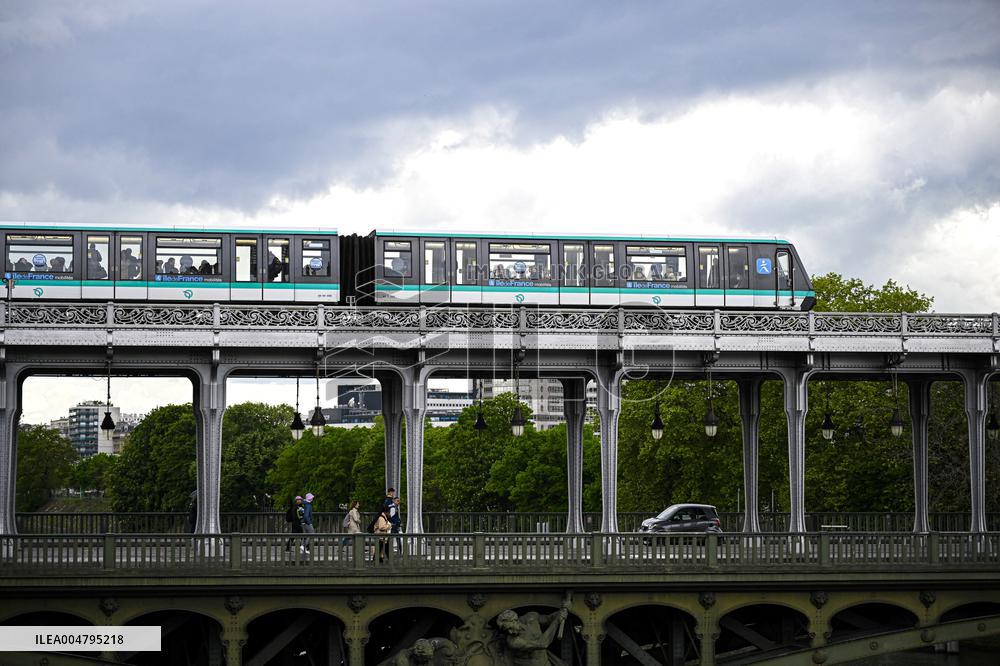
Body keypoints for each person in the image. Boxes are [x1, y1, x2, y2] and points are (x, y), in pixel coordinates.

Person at [496, 607, 568, 665]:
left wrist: (559, 614)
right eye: (507, 630)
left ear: (515, 620)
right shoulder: (513, 641)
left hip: (545, 662)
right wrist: (556, 622)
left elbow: (548, 619)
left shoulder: (531, 617)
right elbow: (542, 644)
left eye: (510, 628)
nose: (510, 632)